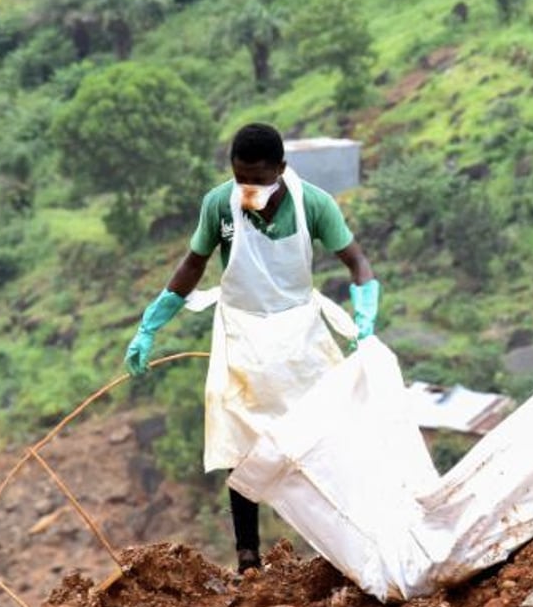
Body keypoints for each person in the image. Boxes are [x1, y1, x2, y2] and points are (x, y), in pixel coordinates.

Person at [123, 122, 380, 574]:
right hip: (240, 330)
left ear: (281, 168)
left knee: (326, 433)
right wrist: (152, 323)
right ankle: (248, 556)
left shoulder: (313, 204)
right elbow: (194, 263)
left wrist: (365, 308)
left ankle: (348, 544)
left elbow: (356, 260)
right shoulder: (219, 204)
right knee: (237, 440)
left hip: (299, 332)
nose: (249, 190)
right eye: (242, 179)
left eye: (259, 180)